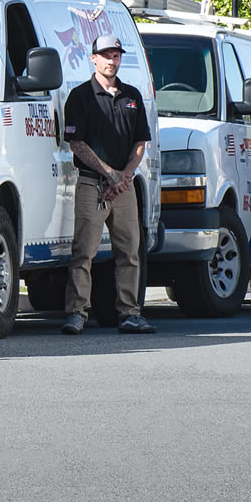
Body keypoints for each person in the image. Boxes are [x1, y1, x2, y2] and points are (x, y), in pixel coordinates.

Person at [60, 35, 157, 335]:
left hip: (124, 187)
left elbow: (140, 142)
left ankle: (129, 313)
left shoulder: (132, 95)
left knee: (129, 251)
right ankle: (77, 313)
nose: (111, 61)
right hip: (92, 185)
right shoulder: (80, 96)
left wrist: (124, 175)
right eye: (105, 55)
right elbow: (77, 144)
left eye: (115, 55)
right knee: (84, 252)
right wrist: (109, 173)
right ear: (93, 59)